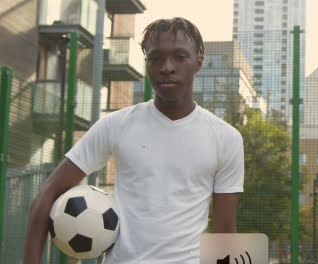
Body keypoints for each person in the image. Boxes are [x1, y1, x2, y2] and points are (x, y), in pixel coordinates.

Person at [22, 17, 245, 264]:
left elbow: (225, 232)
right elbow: (47, 194)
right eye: (156, 58)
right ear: (146, 63)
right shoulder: (116, 125)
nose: (167, 67)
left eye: (180, 57)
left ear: (198, 62)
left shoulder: (226, 138)